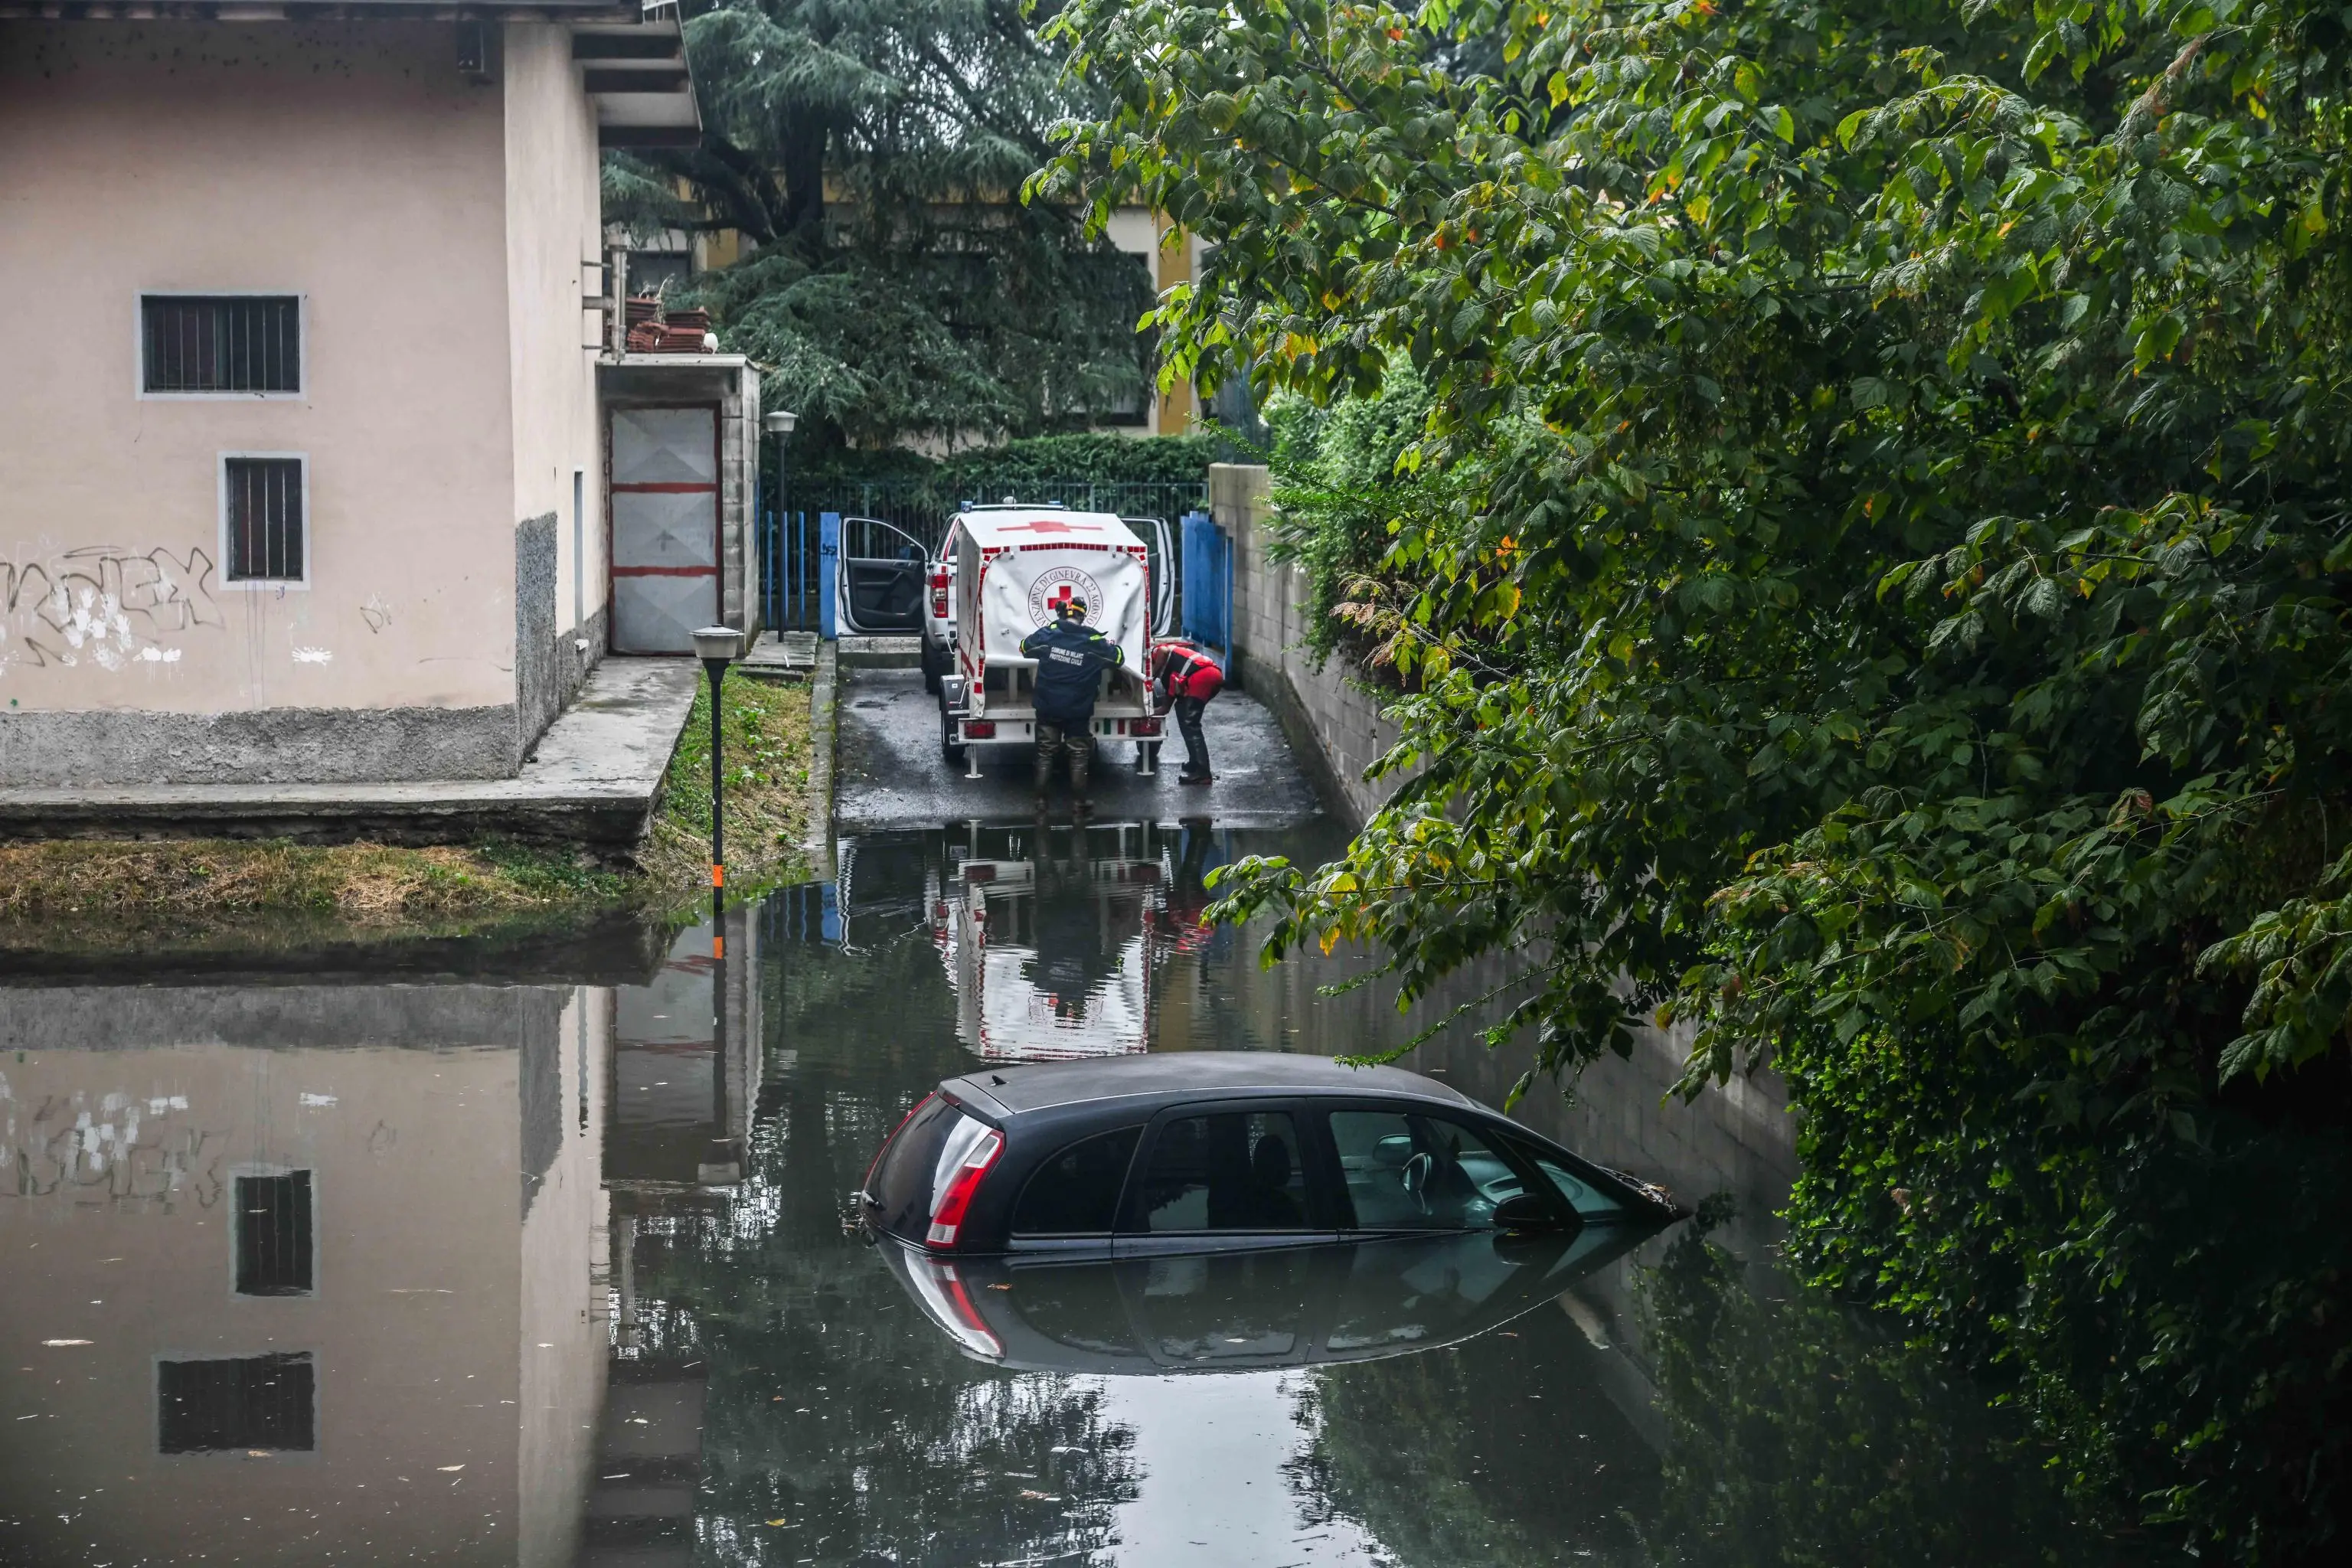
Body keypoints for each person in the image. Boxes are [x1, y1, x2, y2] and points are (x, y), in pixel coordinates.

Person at [1020, 596, 1124, 809]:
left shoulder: (1048, 634)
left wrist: (1051, 627)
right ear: (1082, 616)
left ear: (1061, 615)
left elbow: (1024, 647)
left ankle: (1040, 802)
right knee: (1078, 753)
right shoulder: (1094, 640)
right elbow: (1119, 659)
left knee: (1045, 752)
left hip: (1048, 704)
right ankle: (1079, 803)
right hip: (1078, 708)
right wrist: (1111, 645)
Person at [1147, 637, 1225, 784]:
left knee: (1191, 724)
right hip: (1207, 676)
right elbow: (1165, 708)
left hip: (1202, 677)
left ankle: (1203, 773)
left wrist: (1151, 677)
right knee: (1182, 712)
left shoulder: (1157, 652)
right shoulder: (1169, 675)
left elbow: (1163, 651)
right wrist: (1148, 713)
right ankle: (1195, 762)